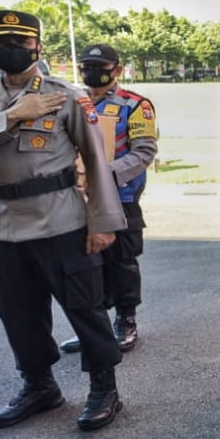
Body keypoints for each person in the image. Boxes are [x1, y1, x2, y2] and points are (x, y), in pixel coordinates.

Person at [0, 10, 126, 431]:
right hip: (4, 223)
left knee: (85, 308)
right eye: (1, 42)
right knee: (17, 311)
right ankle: (40, 386)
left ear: (38, 47)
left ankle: (104, 387)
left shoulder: (65, 96)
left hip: (60, 218)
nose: (12, 49)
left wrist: (102, 222)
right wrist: (11, 116)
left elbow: (96, 160)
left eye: (22, 42)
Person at [58, 44, 156, 355]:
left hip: (119, 196)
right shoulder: (70, 101)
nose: (92, 72)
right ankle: (94, 327)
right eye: (86, 66)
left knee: (121, 262)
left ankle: (126, 320)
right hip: (76, 197)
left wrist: (101, 175)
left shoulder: (135, 105)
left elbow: (144, 152)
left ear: (117, 69)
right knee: (83, 266)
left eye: (100, 66)